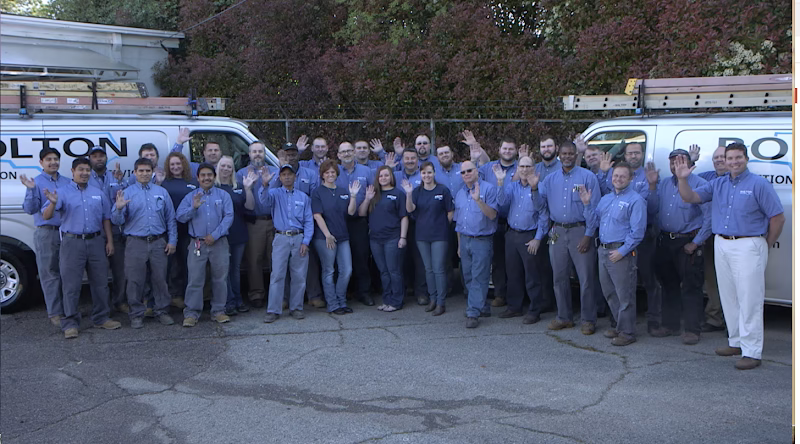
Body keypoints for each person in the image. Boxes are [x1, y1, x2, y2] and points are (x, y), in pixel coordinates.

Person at [674, 143, 785, 370]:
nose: (734, 162)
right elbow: (690, 197)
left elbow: (777, 217)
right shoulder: (718, 184)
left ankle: (752, 352)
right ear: (724, 160)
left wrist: (765, 244)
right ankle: (736, 342)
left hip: (748, 244)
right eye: (730, 158)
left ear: (746, 159)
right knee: (729, 297)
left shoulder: (758, 184)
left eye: (738, 157)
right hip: (722, 243)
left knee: (749, 300)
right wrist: (682, 179)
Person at [42, 157, 122, 339]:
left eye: (87, 170)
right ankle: (70, 323)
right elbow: (46, 216)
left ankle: (101, 318)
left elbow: (106, 219)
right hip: (72, 243)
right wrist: (53, 203)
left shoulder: (98, 193)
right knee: (71, 285)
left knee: (101, 283)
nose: (84, 173)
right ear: (72, 171)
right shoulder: (61, 192)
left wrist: (109, 241)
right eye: (81, 170)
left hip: (96, 241)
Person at [645, 151, 711, 345]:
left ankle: (692, 330)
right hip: (665, 241)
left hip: (687, 242)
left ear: (690, 164)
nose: (676, 165)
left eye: (681, 161)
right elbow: (652, 210)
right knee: (668, 285)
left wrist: (696, 242)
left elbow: (709, 218)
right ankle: (670, 325)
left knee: (691, 287)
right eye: (673, 162)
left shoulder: (700, 184)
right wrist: (652, 186)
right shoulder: (664, 183)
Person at [535, 141, 601, 335]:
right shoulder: (550, 180)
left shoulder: (587, 177)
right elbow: (540, 206)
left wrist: (588, 235)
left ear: (576, 155)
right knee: (559, 277)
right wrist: (533, 189)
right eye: (564, 153)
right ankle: (564, 317)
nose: (567, 157)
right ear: (559, 154)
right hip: (557, 231)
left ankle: (588, 320)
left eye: (571, 153)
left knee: (586, 278)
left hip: (581, 231)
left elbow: (595, 209)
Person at [582, 162, 646, 346]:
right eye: (615, 176)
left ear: (630, 178)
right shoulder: (606, 199)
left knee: (625, 294)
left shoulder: (636, 200)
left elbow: (637, 232)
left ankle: (628, 332)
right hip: (603, 250)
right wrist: (587, 204)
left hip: (621, 252)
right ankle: (620, 326)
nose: (618, 179)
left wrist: (622, 251)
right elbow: (594, 222)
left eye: (622, 176)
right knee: (609, 292)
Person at [111, 158, 178, 328]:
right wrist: (118, 209)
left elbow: (170, 219)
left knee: (160, 279)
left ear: (152, 172)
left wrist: (172, 241)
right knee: (135, 280)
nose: (144, 174)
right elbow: (117, 221)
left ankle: (162, 311)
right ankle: (136, 314)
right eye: (141, 171)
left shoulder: (161, 192)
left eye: (148, 171)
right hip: (135, 242)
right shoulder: (126, 193)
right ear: (135, 173)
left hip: (158, 242)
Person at [610, 142, 662, 334]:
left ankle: (654, 321)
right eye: (630, 153)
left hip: (644, 235)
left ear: (642, 155)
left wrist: (652, 185)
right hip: (620, 237)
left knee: (649, 279)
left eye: (637, 153)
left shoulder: (649, 176)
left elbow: (654, 207)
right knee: (620, 283)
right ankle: (618, 322)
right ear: (625, 155)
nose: (633, 156)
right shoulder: (617, 175)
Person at [176, 163, 234, 327]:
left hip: (219, 243)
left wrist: (214, 235)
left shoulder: (223, 196)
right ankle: (191, 313)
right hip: (197, 244)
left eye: (209, 175)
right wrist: (193, 208)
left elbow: (229, 217)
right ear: (198, 178)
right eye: (203, 175)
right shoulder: (190, 197)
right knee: (195, 279)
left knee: (220, 279)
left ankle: (219, 311)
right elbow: (180, 217)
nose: (206, 178)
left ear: (214, 177)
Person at [20, 147, 70, 326]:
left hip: (67, 233)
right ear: (41, 162)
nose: (53, 162)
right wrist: (31, 190)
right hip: (47, 232)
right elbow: (30, 209)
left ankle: (69, 309)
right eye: (48, 159)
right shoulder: (36, 182)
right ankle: (55, 313)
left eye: (56, 159)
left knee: (67, 273)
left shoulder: (67, 182)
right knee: (50, 273)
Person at [496, 156, 546, 324]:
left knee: (532, 276)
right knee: (513, 273)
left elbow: (543, 213)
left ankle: (534, 310)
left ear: (534, 168)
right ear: (517, 168)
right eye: (522, 166)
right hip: (512, 234)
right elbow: (501, 202)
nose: (525, 169)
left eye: (528, 166)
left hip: (529, 236)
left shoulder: (540, 187)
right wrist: (500, 182)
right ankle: (514, 307)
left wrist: (537, 239)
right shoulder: (512, 186)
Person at [261, 164, 314, 323]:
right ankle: (273, 310)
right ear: (280, 177)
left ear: (295, 177)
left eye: (289, 174)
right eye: (283, 174)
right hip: (281, 238)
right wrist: (265, 184)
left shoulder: (303, 197)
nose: (287, 177)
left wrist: (306, 241)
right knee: (277, 275)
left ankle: (296, 308)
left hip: (298, 238)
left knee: (299, 275)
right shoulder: (274, 193)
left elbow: (309, 221)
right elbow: (264, 201)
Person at [402, 161, 454, 316]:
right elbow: (410, 209)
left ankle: (441, 302)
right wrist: (408, 194)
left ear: (434, 173)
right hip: (422, 235)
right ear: (421, 175)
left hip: (439, 235)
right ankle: (433, 299)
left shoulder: (442, 190)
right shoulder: (417, 191)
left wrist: (442, 226)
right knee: (428, 269)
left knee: (438, 269)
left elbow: (450, 212)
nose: (427, 175)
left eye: (429, 172)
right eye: (424, 173)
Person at [454, 161, 499, 328]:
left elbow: (492, 215)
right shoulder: (460, 193)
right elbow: (458, 222)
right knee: (467, 276)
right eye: (463, 172)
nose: (466, 174)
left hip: (482, 240)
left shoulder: (489, 189)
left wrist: (478, 200)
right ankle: (482, 306)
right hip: (465, 239)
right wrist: (459, 245)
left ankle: (473, 312)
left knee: (479, 276)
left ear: (477, 171)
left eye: (469, 170)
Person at [312, 159, 360, 314]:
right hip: (325, 238)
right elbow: (317, 215)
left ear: (337, 174)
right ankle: (333, 304)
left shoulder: (343, 191)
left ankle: (341, 301)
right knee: (329, 271)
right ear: (322, 175)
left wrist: (353, 196)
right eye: (327, 172)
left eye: (333, 172)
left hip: (343, 236)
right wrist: (327, 235)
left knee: (347, 270)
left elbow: (351, 212)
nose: (330, 175)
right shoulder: (317, 192)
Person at [359, 166, 408, 312]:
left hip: (392, 238)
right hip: (375, 239)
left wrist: (403, 237)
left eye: (386, 175)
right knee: (384, 272)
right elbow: (361, 213)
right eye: (381, 176)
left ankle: (397, 301)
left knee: (394, 271)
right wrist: (367, 199)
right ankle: (387, 300)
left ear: (391, 177)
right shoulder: (374, 194)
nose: (383, 178)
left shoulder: (398, 194)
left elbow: (404, 217)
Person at [478, 136, 519, 309]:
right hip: (494, 221)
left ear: (515, 151)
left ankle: (516, 296)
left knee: (514, 262)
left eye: (511, 149)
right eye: (505, 148)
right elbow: (472, 176)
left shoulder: (521, 167)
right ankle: (500, 294)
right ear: (499, 150)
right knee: (497, 261)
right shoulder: (488, 168)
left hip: (513, 222)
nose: (507, 151)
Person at [236, 141, 277, 309]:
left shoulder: (275, 172)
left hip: (274, 221)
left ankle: (277, 294)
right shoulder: (241, 174)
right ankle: (256, 294)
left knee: (276, 259)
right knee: (254, 260)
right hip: (254, 223)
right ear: (249, 154)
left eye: (260, 151)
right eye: (254, 151)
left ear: (264, 153)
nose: (257, 154)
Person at [87, 145, 128, 314]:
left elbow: (126, 197)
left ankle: (120, 301)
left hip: (116, 231)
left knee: (120, 271)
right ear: (90, 159)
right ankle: (102, 307)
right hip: (95, 232)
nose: (99, 159)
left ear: (106, 158)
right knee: (99, 273)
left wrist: (121, 182)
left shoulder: (115, 176)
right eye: (95, 156)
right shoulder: (85, 177)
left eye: (101, 156)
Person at [216, 156, 258, 316]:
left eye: (229, 166)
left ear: (233, 170)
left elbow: (250, 207)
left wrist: (248, 189)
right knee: (224, 270)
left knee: (235, 269)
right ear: (218, 167)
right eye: (223, 165)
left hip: (238, 233)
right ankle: (228, 302)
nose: (226, 169)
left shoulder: (239, 186)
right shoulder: (213, 187)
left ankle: (238, 300)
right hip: (220, 235)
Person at [337, 142, 374, 306]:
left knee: (361, 256)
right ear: (338, 155)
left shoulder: (366, 171)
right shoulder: (334, 171)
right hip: (339, 221)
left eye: (349, 151)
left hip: (359, 221)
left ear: (354, 153)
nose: (346, 154)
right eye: (343, 151)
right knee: (341, 259)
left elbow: (372, 195)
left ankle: (363, 292)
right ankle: (344, 292)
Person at [697, 145, 728, 333]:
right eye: (715, 157)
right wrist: (691, 161)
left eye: (722, 157)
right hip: (711, 236)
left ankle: (733, 322)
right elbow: (689, 181)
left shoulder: (739, 180)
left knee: (732, 280)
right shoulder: (707, 177)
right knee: (711, 280)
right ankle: (715, 318)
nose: (718, 160)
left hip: (731, 237)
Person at [161, 152, 197, 308]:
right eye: (172, 164)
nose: (176, 167)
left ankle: (188, 297)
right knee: (172, 265)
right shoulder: (164, 184)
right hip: (170, 231)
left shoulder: (193, 182)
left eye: (178, 163)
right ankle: (174, 296)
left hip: (189, 230)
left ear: (184, 164)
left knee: (188, 264)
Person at [393, 149, 427, 305]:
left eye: (413, 158)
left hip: (418, 223)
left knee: (419, 259)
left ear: (417, 160)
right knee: (401, 259)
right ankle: (405, 289)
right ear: (402, 160)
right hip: (398, 223)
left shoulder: (423, 176)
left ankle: (421, 292)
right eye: (407, 158)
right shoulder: (395, 175)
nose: (410, 161)